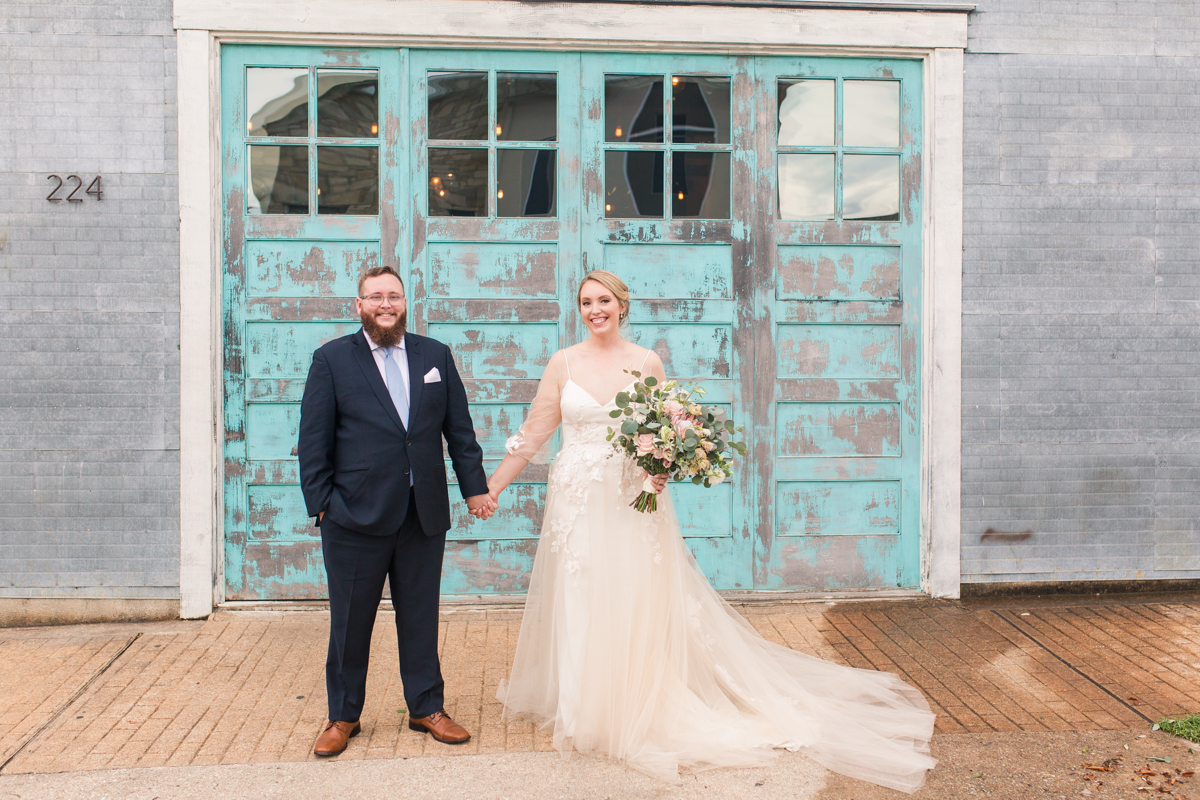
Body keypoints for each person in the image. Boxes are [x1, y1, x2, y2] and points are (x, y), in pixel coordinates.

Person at [487, 270, 937, 793]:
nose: (594, 310)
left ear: (622, 305)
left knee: (633, 596)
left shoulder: (646, 362)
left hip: (634, 500)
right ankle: (587, 707)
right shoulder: (563, 363)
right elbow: (535, 433)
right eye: (586, 302)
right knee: (584, 593)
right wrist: (493, 487)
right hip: (578, 503)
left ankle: (631, 704)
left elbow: (667, 432)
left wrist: (664, 467)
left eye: (603, 300)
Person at [297, 265, 497, 757]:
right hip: (352, 518)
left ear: (404, 303)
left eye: (394, 297)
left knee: (420, 617)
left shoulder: (435, 355)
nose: (386, 305)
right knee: (349, 623)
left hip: (421, 514)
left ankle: (427, 707)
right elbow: (312, 442)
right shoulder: (331, 359)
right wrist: (322, 507)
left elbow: (460, 433)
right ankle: (343, 716)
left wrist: (475, 490)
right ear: (359, 305)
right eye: (375, 297)